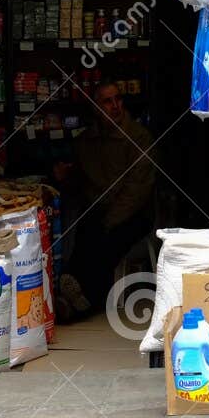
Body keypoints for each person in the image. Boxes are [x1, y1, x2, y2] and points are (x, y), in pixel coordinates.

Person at [56, 81, 155, 318]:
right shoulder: (86, 142)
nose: (115, 106)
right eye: (107, 102)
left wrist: (109, 221)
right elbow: (79, 184)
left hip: (134, 214)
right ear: (95, 108)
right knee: (87, 232)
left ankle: (83, 301)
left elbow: (136, 192)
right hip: (99, 212)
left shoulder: (139, 138)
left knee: (105, 243)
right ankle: (70, 292)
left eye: (118, 99)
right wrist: (64, 177)